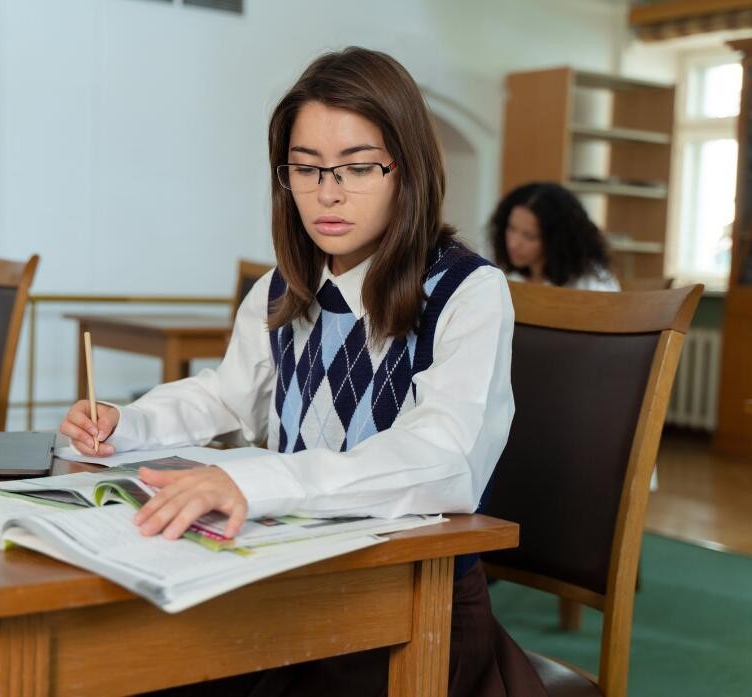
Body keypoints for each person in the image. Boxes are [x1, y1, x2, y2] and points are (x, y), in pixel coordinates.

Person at [60, 47, 547, 697]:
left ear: (408, 169)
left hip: (412, 605)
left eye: (357, 167)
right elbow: (227, 396)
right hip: (290, 582)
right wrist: (129, 422)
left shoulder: (468, 292)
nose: (328, 193)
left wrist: (259, 480)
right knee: (116, 662)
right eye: (306, 169)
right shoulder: (281, 288)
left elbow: (444, 459)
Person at [490, 181, 620, 291]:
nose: (513, 244)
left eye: (529, 236)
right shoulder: (507, 276)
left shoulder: (590, 284)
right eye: (511, 229)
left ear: (556, 241)